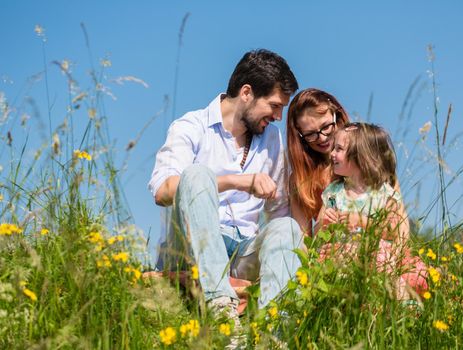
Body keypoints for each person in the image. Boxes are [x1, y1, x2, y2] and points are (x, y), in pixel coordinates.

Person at [148, 50, 302, 323]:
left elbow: (278, 210)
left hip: (243, 251)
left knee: (287, 227)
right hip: (189, 247)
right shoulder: (191, 127)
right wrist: (238, 181)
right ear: (246, 93)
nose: (279, 116)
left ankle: (273, 330)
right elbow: (162, 190)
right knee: (196, 175)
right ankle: (222, 310)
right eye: (275, 105)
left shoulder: (272, 138)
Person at [316, 122, 428, 298]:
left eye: (339, 149)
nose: (332, 154)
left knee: (392, 259)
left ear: (360, 156)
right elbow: (318, 232)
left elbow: (394, 231)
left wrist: (361, 221)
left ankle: (398, 301)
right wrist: (325, 222)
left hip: (376, 257)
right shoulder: (334, 193)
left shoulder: (384, 194)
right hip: (341, 256)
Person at [286, 88, 350, 235]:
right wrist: (321, 225)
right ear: (300, 137)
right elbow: (303, 239)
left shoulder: (367, 154)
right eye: (310, 134)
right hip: (329, 252)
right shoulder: (300, 180)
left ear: (337, 116)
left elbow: (396, 216)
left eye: (326, 127)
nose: (322, 138)